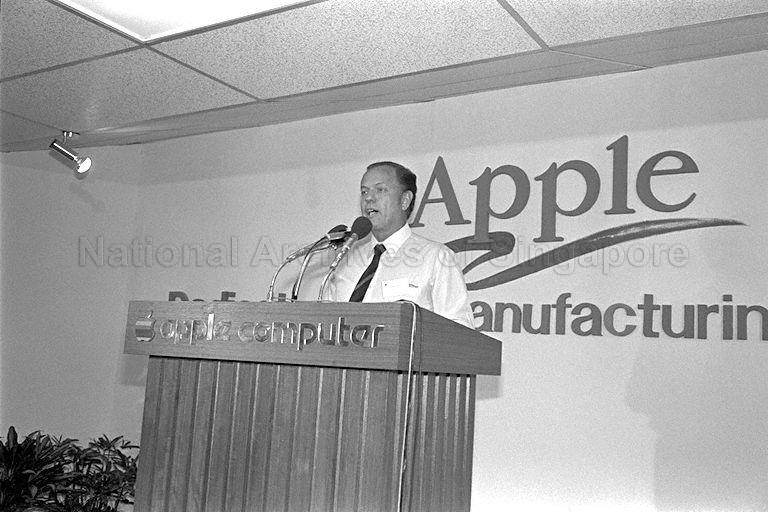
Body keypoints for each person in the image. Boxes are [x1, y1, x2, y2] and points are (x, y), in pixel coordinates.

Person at [324, 161, 475, 328]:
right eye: (364, 191)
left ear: (404, 200)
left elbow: (460, 328)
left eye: (380, 190)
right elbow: (324, 323)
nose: (368, 198)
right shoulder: (347, 260)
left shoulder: (436, 258)